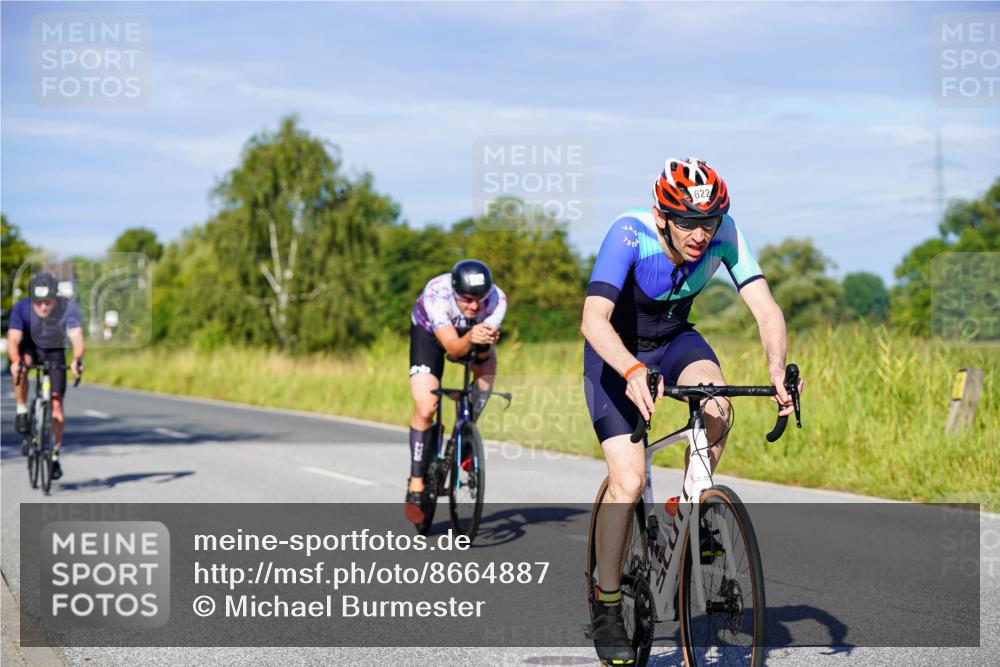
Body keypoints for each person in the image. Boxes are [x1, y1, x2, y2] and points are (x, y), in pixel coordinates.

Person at [581, 158, 803, 664]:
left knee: (717, 401)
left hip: (675, 339)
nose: (701, 235)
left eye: (709, 222)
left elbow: (766, 308)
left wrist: (776, 368)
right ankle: (608, 602)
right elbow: (593, 320)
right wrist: (631, 369)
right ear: (662, 216)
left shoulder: (726, 233)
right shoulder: (629, 234)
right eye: (687, 222)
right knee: (629, 481)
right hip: (616, 351)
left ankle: (693, 507)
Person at [405, 259, 507, 524]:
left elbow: (480, 354)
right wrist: (471, 337)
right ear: (454, 292)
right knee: (426, 406)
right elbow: (453, 348)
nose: (474, 306)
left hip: (470, 334)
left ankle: (465, 432)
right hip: (430, 335)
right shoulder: (436, 293)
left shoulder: (497, 300)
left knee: (488, 367)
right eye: (467, 300)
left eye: (479, 300)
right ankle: (416, 481)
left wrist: (483, 345)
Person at [7, 271, 85, 480]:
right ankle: (22, 409)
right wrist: (15, 360)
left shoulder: (67, 307)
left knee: (57, 405)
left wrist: (77, 359)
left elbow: (77, 337)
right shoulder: (22, 308)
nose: (43, 306)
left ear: (55, 298)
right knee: (21, 367)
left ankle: (55, 454)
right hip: (29, 347)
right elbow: (13, 339)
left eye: (47, 301)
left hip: (54, 350)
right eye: (38, 302)